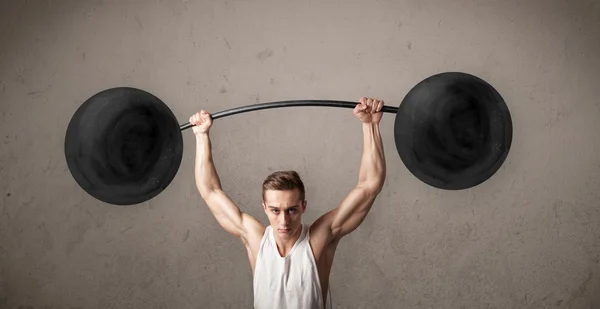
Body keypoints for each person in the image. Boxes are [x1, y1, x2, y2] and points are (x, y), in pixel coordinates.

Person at [189, 97, 387, 309]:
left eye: (291, 210)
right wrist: (201, 136)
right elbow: (210, 191)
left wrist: (371, 125)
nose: (283, 220)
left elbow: (369, 186)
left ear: (303, 206)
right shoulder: (256, 240)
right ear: (264, 207)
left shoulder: (319, 238)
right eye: (275, 210)